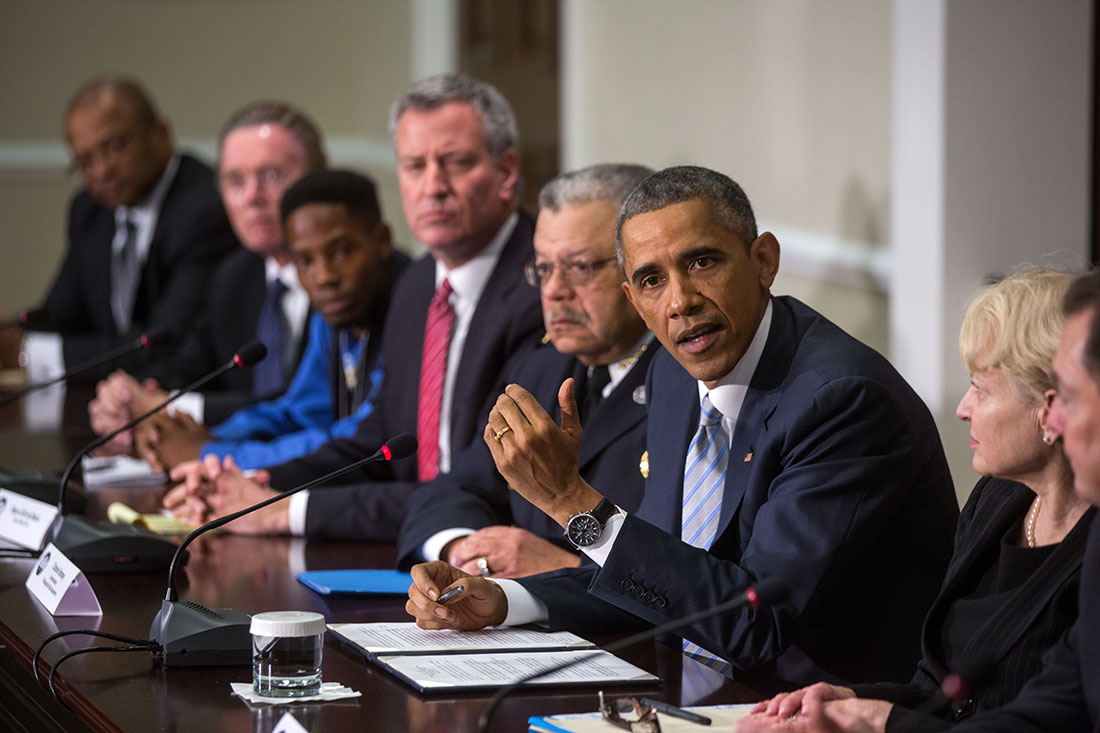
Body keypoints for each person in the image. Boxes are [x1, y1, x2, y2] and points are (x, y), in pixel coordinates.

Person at [405, 165, 960, 687]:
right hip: (695, 686)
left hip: (815, 705)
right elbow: (664, 576)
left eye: (702, 262)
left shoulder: (842, 401)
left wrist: (572, 501)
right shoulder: (675, 375)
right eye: (651, 280)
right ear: (634, 300)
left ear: (764, 260)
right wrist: (503, 601)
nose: (680, 301)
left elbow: (755, 623)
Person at [162, 73, 542, 540]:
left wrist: (287, 511)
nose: (433, 186)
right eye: (414, 166)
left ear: (506, 173)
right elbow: (376, 442)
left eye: (456, 163)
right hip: (404, 541)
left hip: (485, 555)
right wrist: (251, 486)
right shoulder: (419, 284)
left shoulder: (543, 288)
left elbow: (479, 485)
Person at [739, 269, 1094, 731]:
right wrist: (848, 700)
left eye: (980, 388)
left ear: (1050, 408)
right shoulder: (997, 498)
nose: (962, 407)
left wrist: (880, 721)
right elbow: (938, 687)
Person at [396, 163, 655, 578]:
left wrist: (566, 566)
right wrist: (463, 548)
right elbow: (459, 486)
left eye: (579, 267)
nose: (554, 290)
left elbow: (687, 573)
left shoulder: (685, 380)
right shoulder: (545, 363)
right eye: (545, 269)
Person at [133, 169, 408, 472]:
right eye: (305, 261)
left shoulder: (411, 307)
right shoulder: (335, 313)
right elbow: (299, 412)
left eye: (342, 252)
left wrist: (212, 454)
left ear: (381, 240)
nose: (324, 277)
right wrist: (203, 436)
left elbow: (359, 438)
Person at [87, 101, 326, 451]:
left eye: (273, 175)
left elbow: (302, 406)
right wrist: (131, 397)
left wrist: (170, 406)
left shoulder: (354, 280)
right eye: (235, 181)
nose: (252, 197)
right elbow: (191, 366)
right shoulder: (234, 276)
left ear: (318, 180)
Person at [0, 76, 237, 381]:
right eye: (85, 160)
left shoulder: (204, 210)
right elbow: (62, 316)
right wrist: (12, 334)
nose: (102, 170)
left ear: (161, 134)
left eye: (116, 146)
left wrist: (26, 352)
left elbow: (164, 342)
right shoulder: (90, 210)